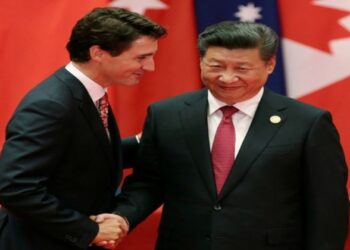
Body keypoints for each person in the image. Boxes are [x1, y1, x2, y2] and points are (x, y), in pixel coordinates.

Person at [97, 21, 349, 250]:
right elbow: (148, 184)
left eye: (242, 68)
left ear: (270, 64)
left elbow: (328, 207)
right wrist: (122, 216)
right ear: (201, 61)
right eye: (216, 66)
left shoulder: (308, 122)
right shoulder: (167, 114)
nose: (227, 78)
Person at [0, 7, 166, 250]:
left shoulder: (84, 93)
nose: (150, 66)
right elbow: (13, 187)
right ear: (98, 53)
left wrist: (143, 143)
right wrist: (88, 230)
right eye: (141, 57)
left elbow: (82, 156)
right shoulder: (51, 104)